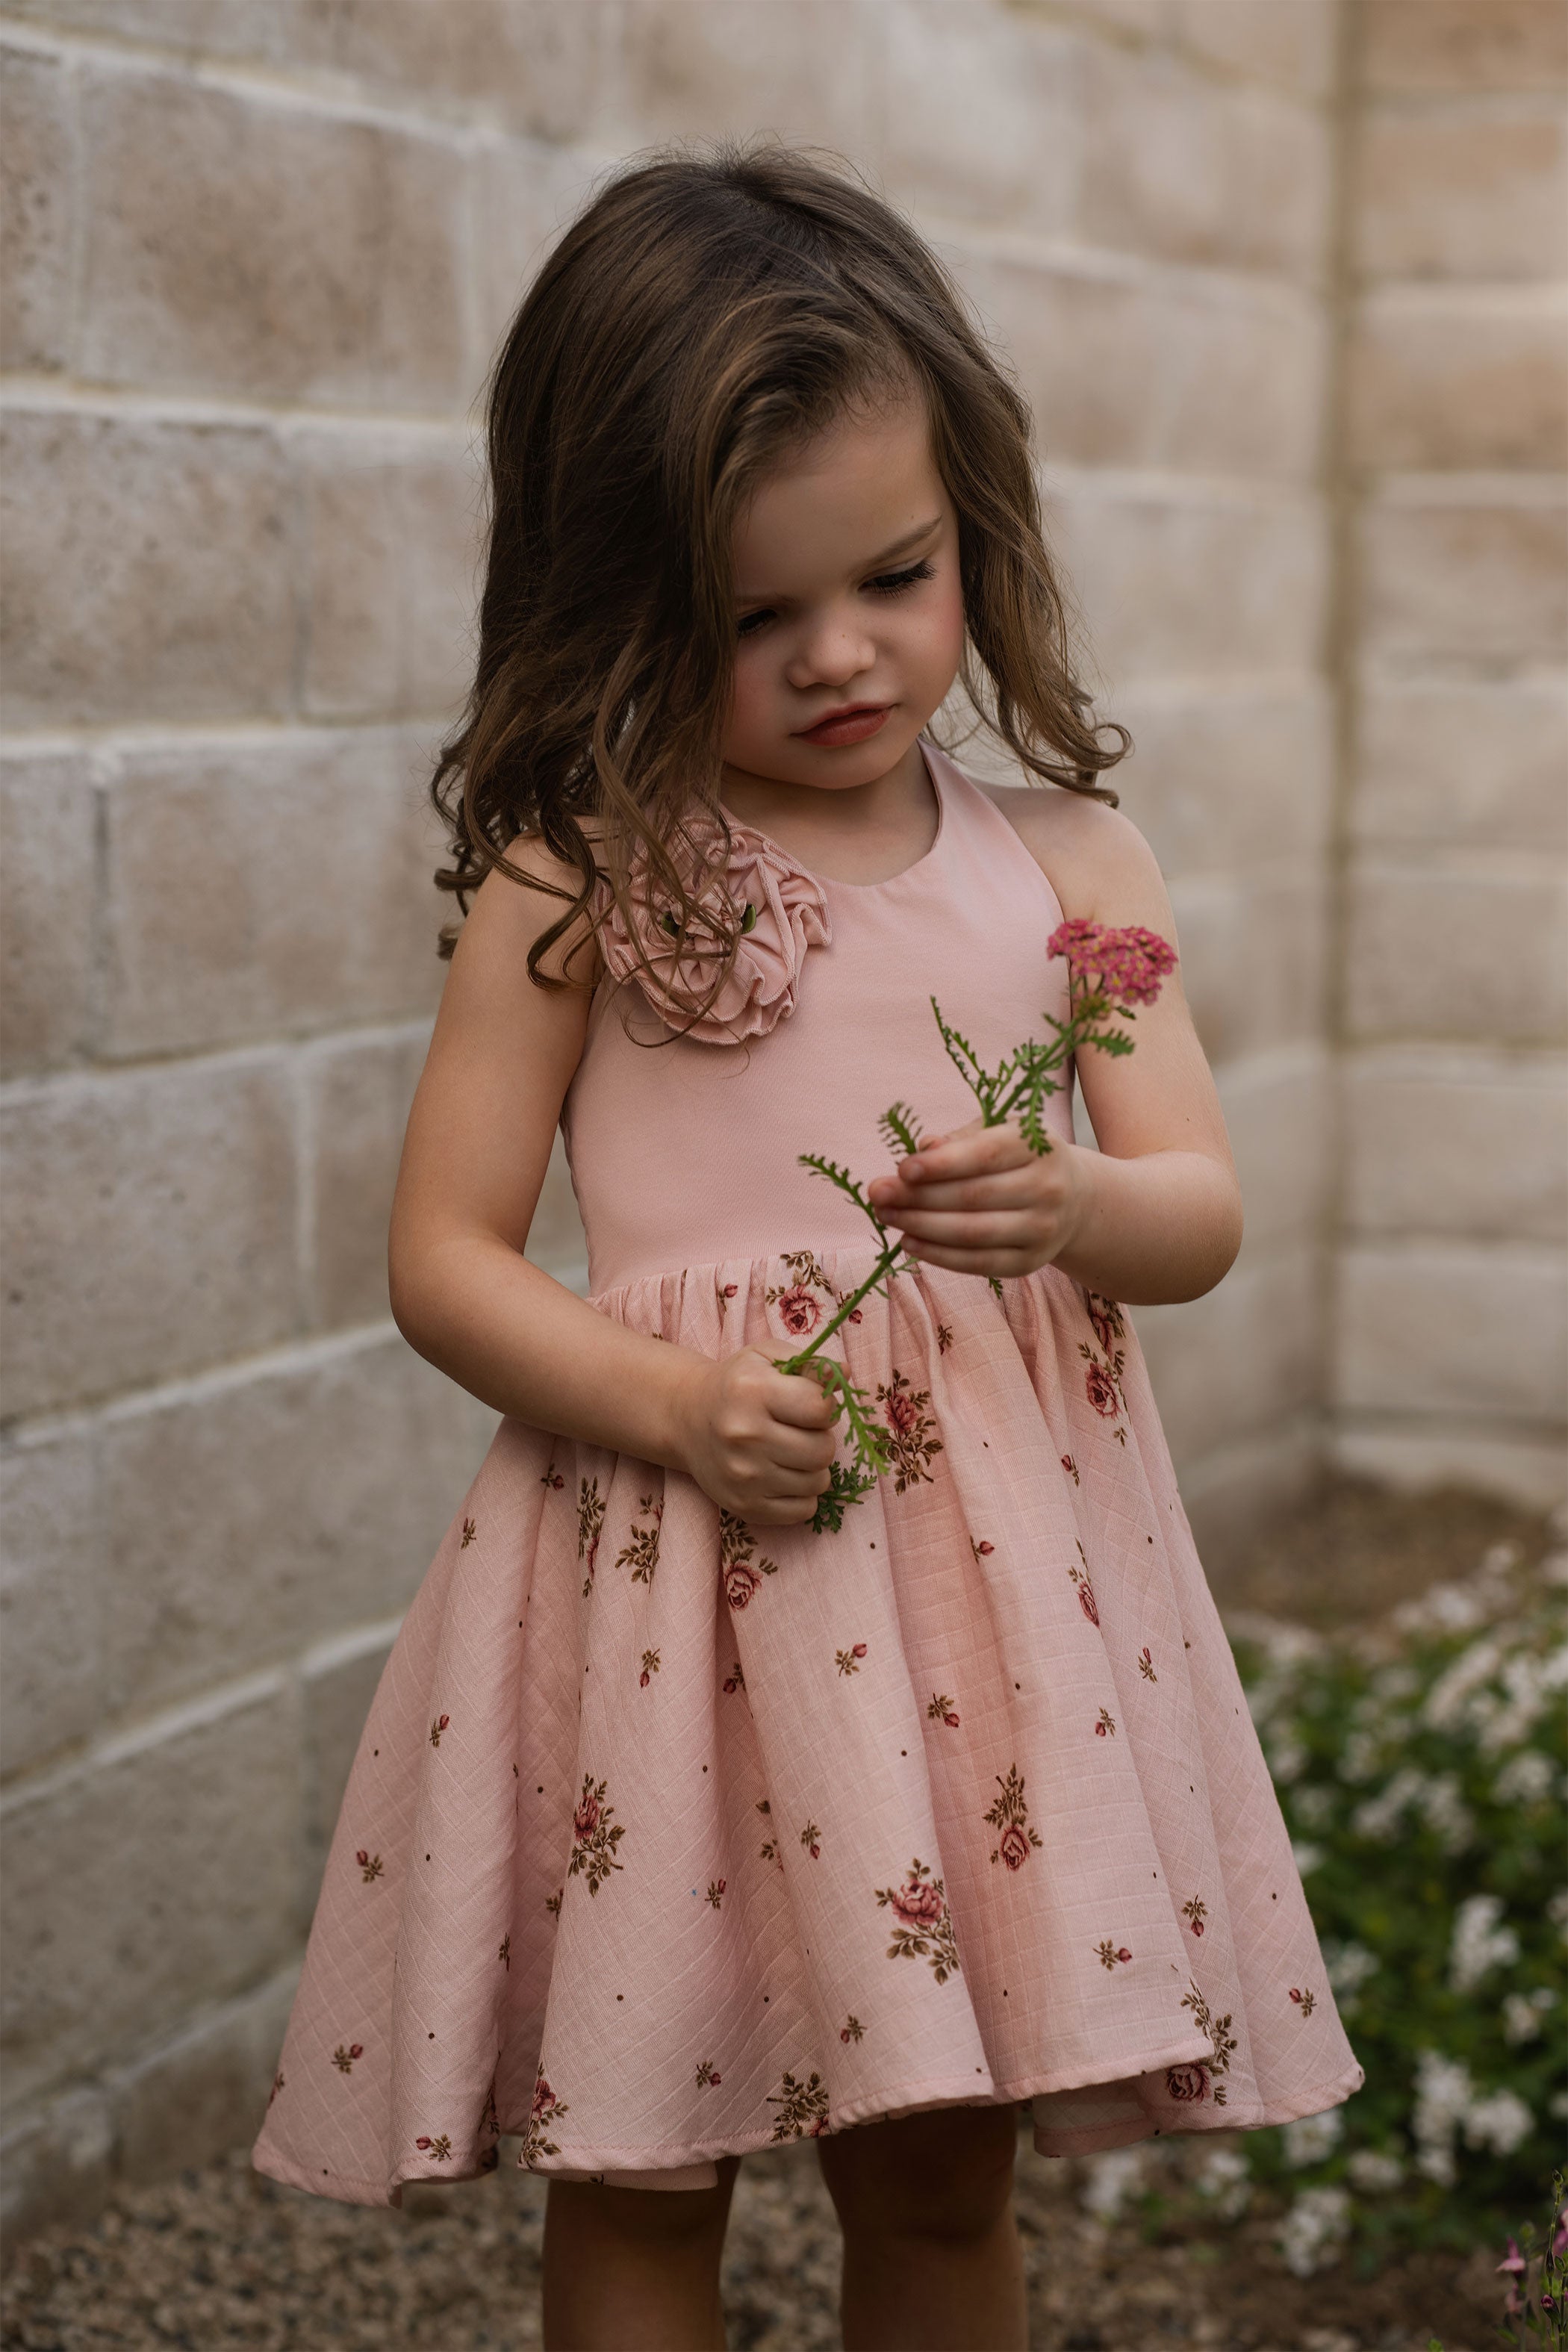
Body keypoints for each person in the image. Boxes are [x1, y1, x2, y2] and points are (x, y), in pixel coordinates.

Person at [252, 143, 1362, 2351]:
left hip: (976, 1645)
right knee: (643, 2160)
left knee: (936, 2170)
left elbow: (1200, 1216)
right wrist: (673, 1400)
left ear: (978, 529)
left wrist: (1068, 1205)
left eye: (894, 574)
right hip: (673, 1596)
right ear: (619, 599)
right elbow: (444, 1260)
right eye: (753, 619)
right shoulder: (580, 877)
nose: (841, 656)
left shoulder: (1062, 862)